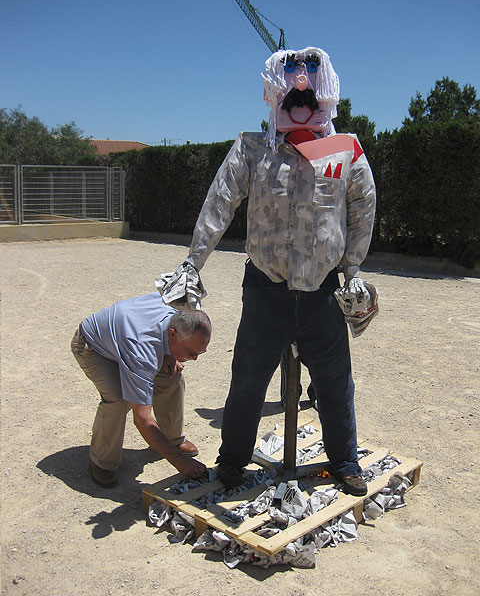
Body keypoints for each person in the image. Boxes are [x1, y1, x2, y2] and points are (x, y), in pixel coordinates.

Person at [159, 47, 376, 496]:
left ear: (326, 95)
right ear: (274, 95)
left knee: (335, 382)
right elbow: (219, 203)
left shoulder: (345, 150)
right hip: (265, 290)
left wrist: (353, 267)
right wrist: (192, 263)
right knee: (248, 382)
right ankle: (233, 460)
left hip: (322, 292)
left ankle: (345, 460)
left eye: (311, 88)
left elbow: (363, 208)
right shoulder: (253, 150)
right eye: (291, 85)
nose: (301, 94)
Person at [71, 291, 210, 487]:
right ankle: (103, 462)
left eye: (199, 353)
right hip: (94, 347)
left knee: (172, 375)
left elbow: (161, 334)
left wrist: (171, 354)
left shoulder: (177, 308)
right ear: (173, 334)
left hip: (126, 340)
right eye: (190, 352)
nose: (194, 358)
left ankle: (173, 439)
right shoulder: (142, 351)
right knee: (118, 399)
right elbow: (142, 419)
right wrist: (181, 464)